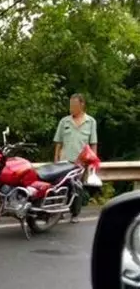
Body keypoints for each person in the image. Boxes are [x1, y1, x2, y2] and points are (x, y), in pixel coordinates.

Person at [53, 93, 98, 223]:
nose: (71, 107)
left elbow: (93, 143)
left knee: (77, 188)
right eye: (70, 105)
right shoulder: (64, 121)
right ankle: (59, 211)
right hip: (65, 160)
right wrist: (56, 159)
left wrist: (93, 161)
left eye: (74, 105)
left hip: (82, 161)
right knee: (61, 187)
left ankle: (75, 213)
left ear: (82, 105)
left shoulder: (91, 122)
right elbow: (58, 142)